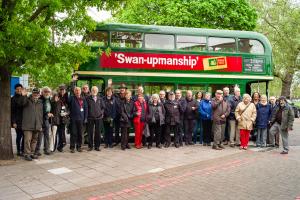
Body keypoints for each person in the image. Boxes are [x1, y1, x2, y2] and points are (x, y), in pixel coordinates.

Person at [17, 88, 43, 161]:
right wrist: (23, 96)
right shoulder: (27, 100)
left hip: (37, 125)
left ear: (39, 94)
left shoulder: (40, 102)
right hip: (28, 124)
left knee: (34, 140)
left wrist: (40, 124)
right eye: (34, 93)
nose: (36, 94)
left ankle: (32, 153)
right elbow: (21, 103)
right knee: (27, 140)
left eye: (37, 93)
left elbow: (41, 114)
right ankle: (27, 154)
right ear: (32, 93)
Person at [68, 87, 88, 153]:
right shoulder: (71, 98)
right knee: (73, 133)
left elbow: (86, 109)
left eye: (78, 90)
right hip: (73, 119)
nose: (77, 91)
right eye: (76, 90)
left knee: (80, 134)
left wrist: (85, 118)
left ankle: (79, 147)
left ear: (80, 91)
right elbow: (68, 104)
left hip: (81, 119)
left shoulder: (83, 99)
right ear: (74, 91)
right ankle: (72, 147)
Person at [36, 86, 53, 156]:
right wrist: (47, 114)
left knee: (46, 135)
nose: (47, 93)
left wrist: (50, 114)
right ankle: (37, 150)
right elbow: (39, 111)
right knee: (39, 136)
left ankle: (46, 149)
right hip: (40, 120)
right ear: (42, 92)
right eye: (45, 91)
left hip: (46, 120)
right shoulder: (40, 100)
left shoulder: (49, 99)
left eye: (48, 92)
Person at [86, 86, 104, 151]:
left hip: (98, 118)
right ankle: (90, 146)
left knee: (98, 133)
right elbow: (86, 108)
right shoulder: (88, 98)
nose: (94, 91)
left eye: (95, 90)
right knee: (90, 133)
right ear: (91, 91)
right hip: (90, 118)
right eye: (93, 90)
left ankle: (97, 146)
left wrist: (101, 113)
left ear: (97, 91)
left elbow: (103, 108)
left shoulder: (100, 99)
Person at [11, 83, 25, 156]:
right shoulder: (13, 99)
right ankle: (18, 151)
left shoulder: (24, 97)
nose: (19, 90)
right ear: (15, 90)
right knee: (19, 136)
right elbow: (12, 112)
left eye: (20, 89)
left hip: (25, 121)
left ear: (22, 89)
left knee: (25, 136)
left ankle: (23, 150)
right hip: (17, 121)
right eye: (17, 89)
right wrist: (14, 122)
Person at [57, 84, 69, 152]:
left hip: (64, 116)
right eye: (61, 89)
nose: (62, 91)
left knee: (62, 131)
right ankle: (59, 144)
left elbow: (69, 107)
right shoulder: (56, 96)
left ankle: (61, 145)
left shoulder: (67, 96)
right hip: (57, 116)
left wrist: (67, 113)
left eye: (63, 90)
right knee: (58, 132)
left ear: (65, 90)